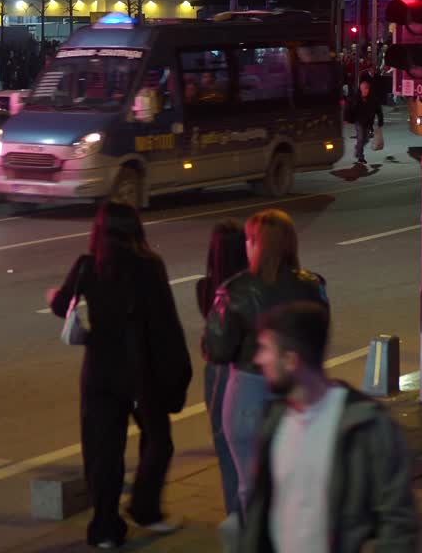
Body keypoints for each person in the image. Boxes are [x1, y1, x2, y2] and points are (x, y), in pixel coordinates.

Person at [46, 203, 193, 548]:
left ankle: (105, 528)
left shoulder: (88, 265)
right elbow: (165, 324)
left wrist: (56, 296)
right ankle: (145, 507)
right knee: (158, 440)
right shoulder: (149, 267)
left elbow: (60, 304)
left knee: (104, 452)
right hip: (140, 373)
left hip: (99, 372)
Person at [238, 301, 419, 552]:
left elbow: (397, 522)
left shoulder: (367, 426)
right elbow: (262, 512)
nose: (258, 359)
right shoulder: (274, 420)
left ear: (290, 360)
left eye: (266, 349)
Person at [205, 209, 329, 518]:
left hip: (249, 391)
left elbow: (217, 349)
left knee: (251, 487)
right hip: (299, 393)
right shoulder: (312, 286)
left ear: (254, 243)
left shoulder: (236, 290)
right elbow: (319, 340)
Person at [194, 222, 249, 524]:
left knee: (226, 449)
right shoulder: (249, 289)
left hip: (218, 374)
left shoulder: (207, 288)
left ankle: (235, 517)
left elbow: (211, 345)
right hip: (246, 373)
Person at [343, 79, 382, 165]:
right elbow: (348, 108)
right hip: (359, 121)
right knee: (360, 139)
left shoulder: (372, 98)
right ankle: (361, 157)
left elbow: (378, 110)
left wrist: (380, 120)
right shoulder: (356, 98)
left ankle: (358, 149)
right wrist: (346, 118)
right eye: (364, 89)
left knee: (366, 139)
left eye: (367, 89)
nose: (365, 90)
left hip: (368, 122)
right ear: (361, 89)